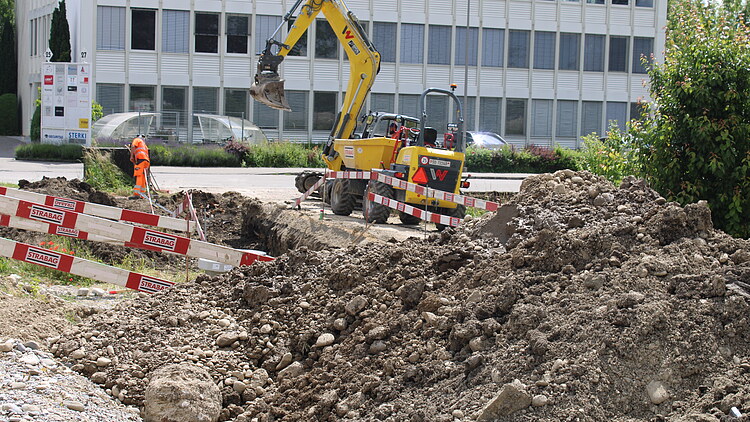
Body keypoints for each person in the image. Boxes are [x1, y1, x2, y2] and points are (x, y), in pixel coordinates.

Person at [128, 135, 150, 199]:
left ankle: (137, 194)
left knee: (139, 176)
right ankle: (142, 194)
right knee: (143, 177)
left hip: (140, 160)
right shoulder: (144, 145)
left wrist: (132, 156)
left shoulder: (136, 140)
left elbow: (133, 146)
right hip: (146, 161)